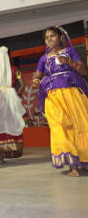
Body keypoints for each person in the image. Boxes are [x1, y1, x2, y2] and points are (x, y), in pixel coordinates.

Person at [33, 26, 88, 177]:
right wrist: (36, 81)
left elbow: (84, 71)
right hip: (53, 96)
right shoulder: (43, 58)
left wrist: (69, 61)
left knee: (80, 124)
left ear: (61, 37)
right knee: (59, 126)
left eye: (52, 36)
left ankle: (83, 159)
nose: (49, 39)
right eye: (47, 37)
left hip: (72, 92)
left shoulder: (70, 52)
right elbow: (37, 76)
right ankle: (73, 166)